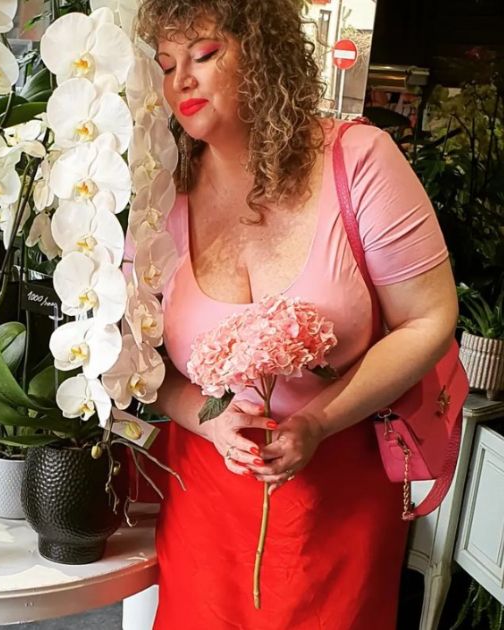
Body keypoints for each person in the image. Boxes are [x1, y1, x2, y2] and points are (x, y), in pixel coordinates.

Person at [135, 1, 457, 627]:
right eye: (167, 65)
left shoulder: (358, 161)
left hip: (338, 504)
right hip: (206, 503)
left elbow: (429, 317)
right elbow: (138, 363)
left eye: (204, 55)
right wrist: (209, 423)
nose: (181, 82)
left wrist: (317, 421)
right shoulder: (161, 193)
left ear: (263, 54)